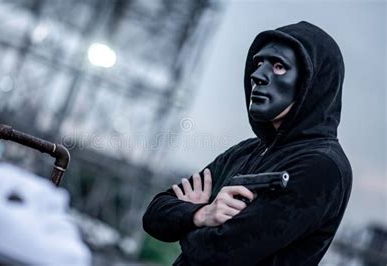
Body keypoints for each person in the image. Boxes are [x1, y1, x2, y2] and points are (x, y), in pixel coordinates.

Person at [142, 21, 352, 265]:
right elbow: (154, 214)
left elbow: (219, 251)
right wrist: (201, 214)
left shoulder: (322, 167)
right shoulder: (247, 150)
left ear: (313, 82)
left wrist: (187, 223)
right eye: (259, 63)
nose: (257, 75)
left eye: (279, 66)